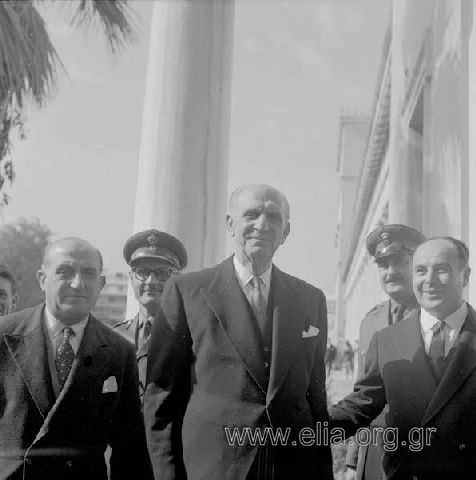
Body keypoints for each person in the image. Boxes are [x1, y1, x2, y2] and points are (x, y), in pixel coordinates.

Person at [144, 184, 333, 480]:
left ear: (285, 231)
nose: (262, 225)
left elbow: (315, 399)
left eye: (273, 217)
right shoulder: (188, 291)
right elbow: (161, 399)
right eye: (251, 215)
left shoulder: (311, 299)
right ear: (231, 224)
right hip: (216, 466)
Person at [0, 237, 153, 480]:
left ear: (101, 284)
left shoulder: (119, 352)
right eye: (65, 271)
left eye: (89, 273)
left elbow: (130, 450)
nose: (78, 283)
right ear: (42, 279)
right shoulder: (5, 336)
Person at [331, 237, 476, 480]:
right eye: (420, 270)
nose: (429, 280)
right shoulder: (387, 340)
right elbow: (363, 403)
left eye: (441, 269)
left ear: (465, 276)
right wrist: (306, 425)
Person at [345, 224, 425, 480]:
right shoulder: (370, 322)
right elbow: (362, 394)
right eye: (383, 264)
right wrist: (352, 461)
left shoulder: (435, 316)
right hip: (374, 450)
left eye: (400, 261)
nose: (391, 271)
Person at [114, 229, 187, 404]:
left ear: (178, 279)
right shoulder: (114, 337)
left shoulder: (193, 336)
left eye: (163, 273)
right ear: (131, 278)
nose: (151, 281)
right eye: (142, 272)